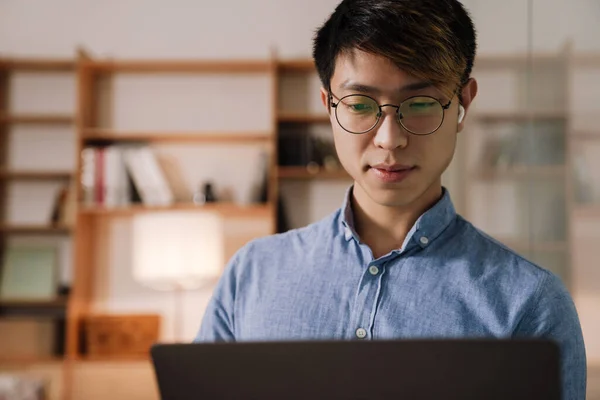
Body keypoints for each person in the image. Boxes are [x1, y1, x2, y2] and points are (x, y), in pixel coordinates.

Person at [196, 0, 586, 398]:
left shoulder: (529, 302)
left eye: (420, 105)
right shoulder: (251, 276)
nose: (389, 139)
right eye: (360, 105)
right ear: (328, 106)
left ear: (463, 104)